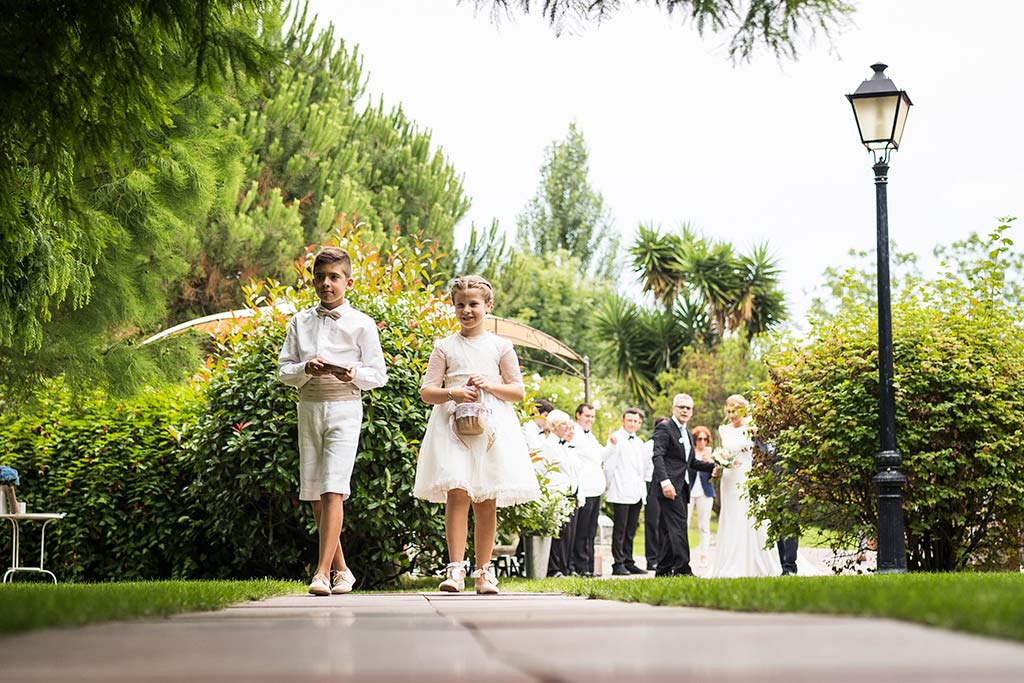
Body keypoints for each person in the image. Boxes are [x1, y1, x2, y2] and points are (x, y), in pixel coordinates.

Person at [414, 275, 541, 595]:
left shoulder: (501, 346)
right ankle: (455, 568)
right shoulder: (444, 346)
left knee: (486, 498)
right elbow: (427, 392)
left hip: (492, 429)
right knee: (457, 491)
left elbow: (517, 391)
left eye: (474, 304)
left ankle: (483, 572)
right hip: (452, 427)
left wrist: (490, 386)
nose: (467, 310)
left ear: (488, 306)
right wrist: (453, 392)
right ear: (453, 307)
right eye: (460, 305)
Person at [277, 247, 388, 596]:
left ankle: (321, 572)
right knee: (313, 491)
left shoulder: (362, 323)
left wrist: (354, 374)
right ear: (313, 280)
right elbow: (283, 370)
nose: (327, 283)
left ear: (348, 282)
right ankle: (342, 569)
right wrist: (304, 368)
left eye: (334, 277)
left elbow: (378, 375)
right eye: (321, 277)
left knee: (333, 487)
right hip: (309, 406)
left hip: (344, 406)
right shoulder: (300, 321)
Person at [710, 394, 783, 578]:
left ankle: (752, 562)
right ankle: (729, 561)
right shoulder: (723, 430)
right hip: (728, 479)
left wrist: (759, 467)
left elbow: (764, 451)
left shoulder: (752, 427)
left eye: (735, 410)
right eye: (729, 410)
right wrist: (718, 467)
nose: (732, 414)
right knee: (731, 517)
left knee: (748, 516)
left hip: (746, 477)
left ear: (743, 409)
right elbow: (722, 452)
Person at [651, 394, 715, 577]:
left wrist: (713, 466)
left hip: (682, 487)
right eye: (681, 407)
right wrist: (665, 482)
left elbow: (690, 463)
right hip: (669, 488)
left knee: (673, 529)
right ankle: (682, 570)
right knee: (679, 527)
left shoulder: (686, 432)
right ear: (673, 409)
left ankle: (662, 570)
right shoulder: (665, 428)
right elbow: (658, 456)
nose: (685, 410)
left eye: (688, 408)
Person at [603, 407, 648, 575]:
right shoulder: (615, 438)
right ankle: (618, 563)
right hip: (620, 490)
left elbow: (641, 469)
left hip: (636, 492)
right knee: (620, 530)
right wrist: (609, 486)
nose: (632, 424)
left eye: (636, 421)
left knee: (631, 529)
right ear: (623, 420)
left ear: (640, 423)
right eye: (630, 420)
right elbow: (609, 466)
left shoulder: (639, 442)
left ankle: (629, 561)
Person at [539, 409, 582, 578]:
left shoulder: (564, 445)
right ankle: (554, 569)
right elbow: (564, 467)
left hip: (569, 492)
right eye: (564, 424)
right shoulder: (549, 444)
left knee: (568, 534)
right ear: (554, 426)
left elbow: (575, 470)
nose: (567, 427)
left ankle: (564, 567)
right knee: (558, 533)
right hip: (557, 492)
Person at [569, 403, 606, 577]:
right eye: (587, 416)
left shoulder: (590, 436)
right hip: (584, 489)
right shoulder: (574, 434)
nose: (590, 420)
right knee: (582, 530)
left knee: (591, 531)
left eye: (592, 416)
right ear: (578, 415)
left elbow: (600, 456)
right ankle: (580, 566)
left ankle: (589, 566)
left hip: (596, 489)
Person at [688, 425, 717, 568]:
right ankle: (684, 556)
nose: (702, 442)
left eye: (705, 439)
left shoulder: (712, 455)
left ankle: (704, 555)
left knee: (704, 526)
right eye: (699, 438)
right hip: (689, 491)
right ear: (694, 439)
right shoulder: (690, 453)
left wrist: (711, 462)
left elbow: (716, 474)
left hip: (705, 492)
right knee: (684, 524)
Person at [643, 416, 668, 572]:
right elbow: (643, 467)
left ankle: (663, 557)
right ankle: (651, 559)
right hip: (650, 483)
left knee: (664, 523)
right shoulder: (648, 446)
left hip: (667, 483)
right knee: (652, 522)